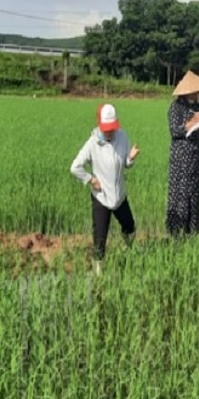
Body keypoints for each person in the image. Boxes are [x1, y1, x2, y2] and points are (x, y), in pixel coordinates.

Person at [70, 104, 139, 275]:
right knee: (100, 240)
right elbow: (75, 167)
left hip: (119, 195)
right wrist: (90, 179)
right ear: (99, 124)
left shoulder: (122, 136)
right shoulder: (93, 143)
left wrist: (130, 158)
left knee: (130, 227)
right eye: (106, 129)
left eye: (112, 129)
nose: (110, 132)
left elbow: (125, 164)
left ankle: (127, 251)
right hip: (101, 197)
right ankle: (98, 273)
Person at [166, 71, 199, 236]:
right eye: (196, 91)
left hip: (194, 155)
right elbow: (174, 131)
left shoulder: (197, 107)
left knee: (194, 191)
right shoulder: (175, 107)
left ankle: (192, 230)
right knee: (181, 191)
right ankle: (177, 229)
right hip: (180, 156)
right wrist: (190, 124)